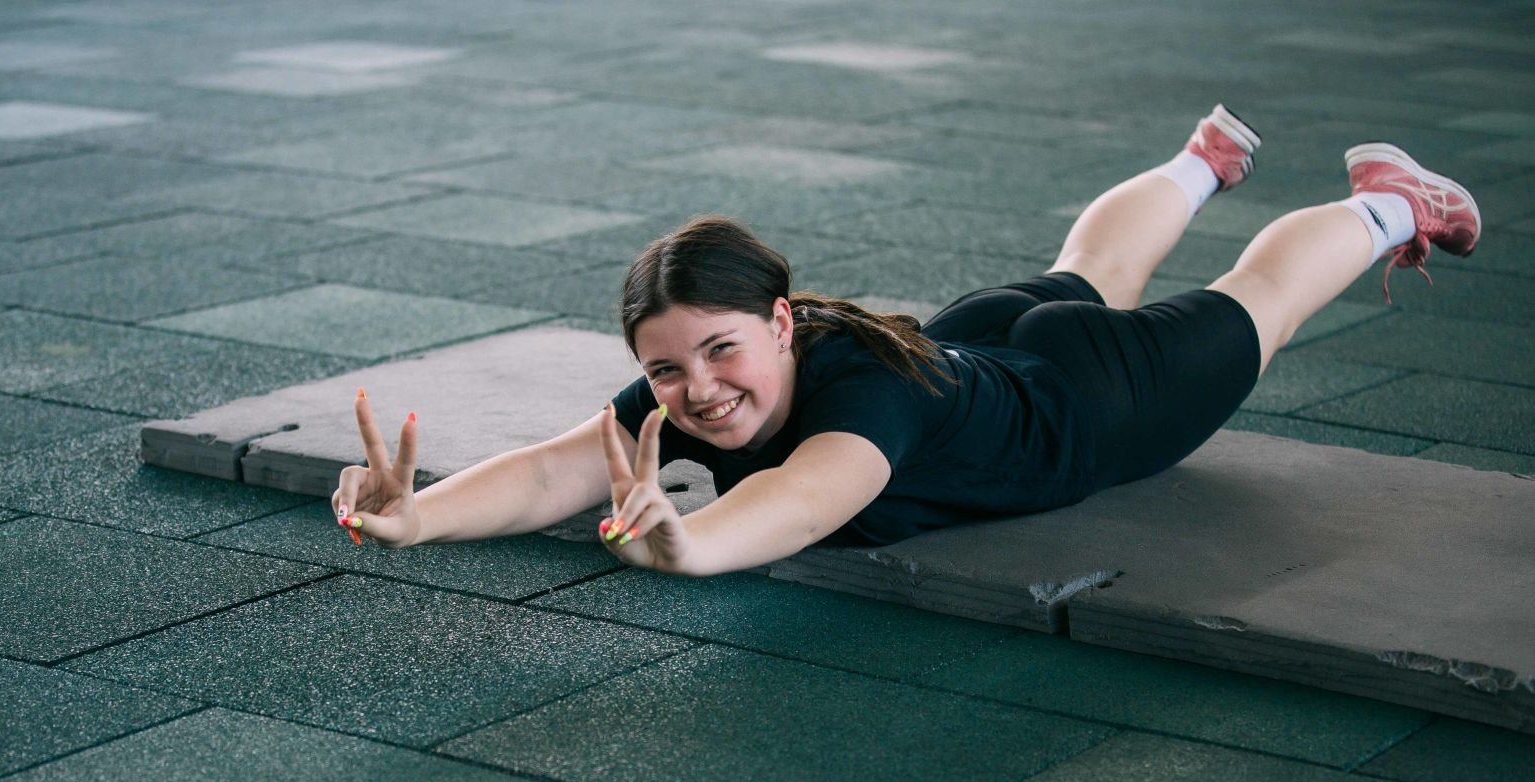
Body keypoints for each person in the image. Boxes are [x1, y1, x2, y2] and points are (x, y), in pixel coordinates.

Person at [330, 104, 1480, 577]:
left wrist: (691, 542)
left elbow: (801, 504)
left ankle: (1389, 202)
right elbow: (552, 470)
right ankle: (1199, 162)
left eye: (721, 351)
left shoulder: (862, 402)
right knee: (1086, 266)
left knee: (1259, 301)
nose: (697, 389)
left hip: (1085, 401)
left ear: (780, 322)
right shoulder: (704, 385)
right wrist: (418, 513)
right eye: (664, 368)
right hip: (975, 343)